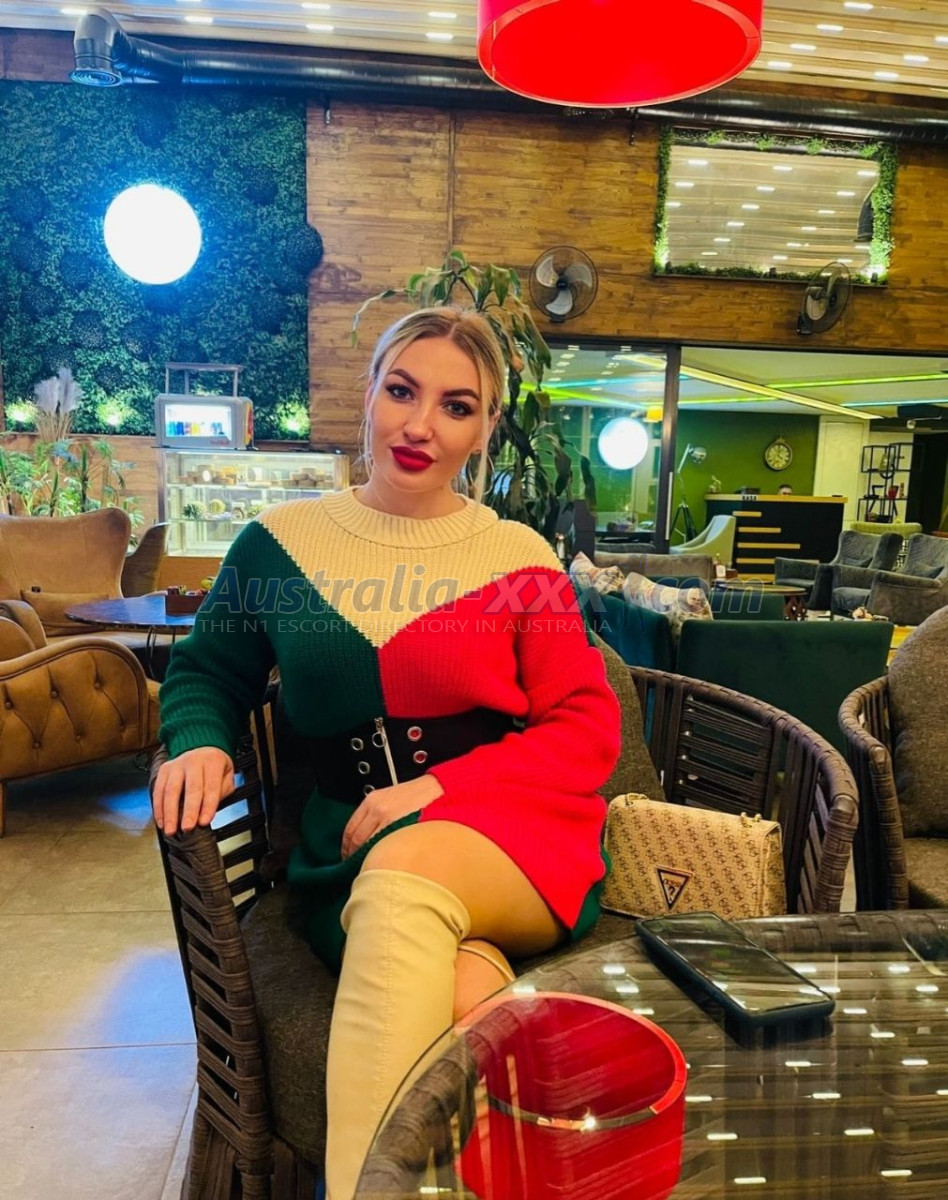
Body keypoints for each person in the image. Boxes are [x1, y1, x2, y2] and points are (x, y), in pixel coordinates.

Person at [153, 307, 622, 1200]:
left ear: (485, 429)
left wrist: (438, 789)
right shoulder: (277, 544)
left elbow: (586, 728)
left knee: (404, 878)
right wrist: (198, 741)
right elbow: (207, 669)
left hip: (513, 831)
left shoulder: (519, 557)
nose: (421, 425)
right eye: (402, 391)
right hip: (346, 846)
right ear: (368, 394)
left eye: (457, 406)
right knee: (465, 999)